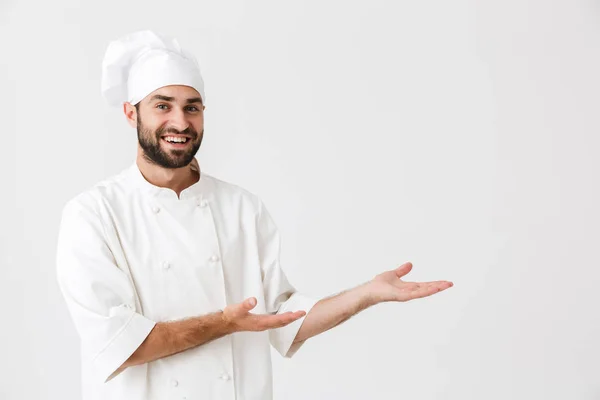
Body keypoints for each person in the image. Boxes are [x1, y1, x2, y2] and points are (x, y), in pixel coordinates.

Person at [56, 30, 453, 400]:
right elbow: (120, 345)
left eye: (191, 108)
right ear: (131, 113)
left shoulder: (241, 208)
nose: (180, 122)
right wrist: (226, 323)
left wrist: (367, 294)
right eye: (163, 106)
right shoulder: (93, 215)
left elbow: (284, 317)